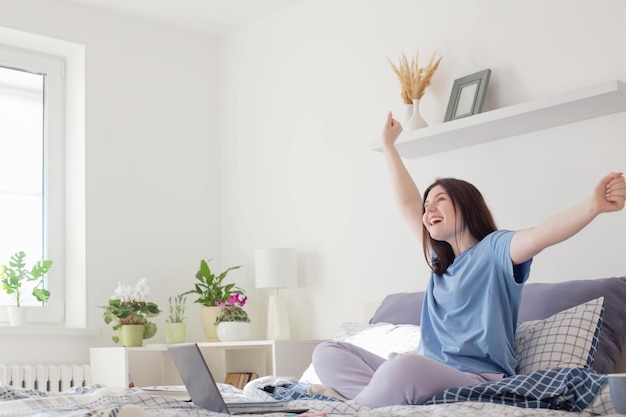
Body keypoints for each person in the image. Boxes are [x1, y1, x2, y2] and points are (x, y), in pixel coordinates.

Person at [311, 111, 626, 408]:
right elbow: (408, 201)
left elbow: (542, 233)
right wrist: (389, 146)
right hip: (421, 371)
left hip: (474, 378)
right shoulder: (440, 261)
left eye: (440, 200)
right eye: (427, 204)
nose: (428, 209)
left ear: (466, 205)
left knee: (401, 369)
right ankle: (376, 399)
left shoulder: (495, 250)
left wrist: (592, 205)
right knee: (327, 352)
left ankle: (362, 405)